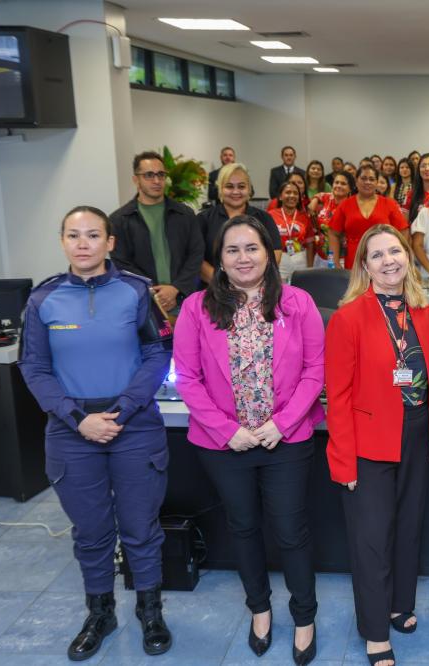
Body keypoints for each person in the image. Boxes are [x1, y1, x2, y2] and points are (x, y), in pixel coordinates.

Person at [19, 206, 174, 661]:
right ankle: (100, 612)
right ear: (63, 242)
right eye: (73, 235)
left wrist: (122, 410)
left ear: (111, 243)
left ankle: (151, 611)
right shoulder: (41, 300)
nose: (82, 243)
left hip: (135, 424)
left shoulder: (137, 291)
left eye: (93, 235)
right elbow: (33, 366)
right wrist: (77, 418)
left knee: (141, 527)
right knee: (90, 531)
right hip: (71, 431)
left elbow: (157, 355)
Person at [173, 215, 323, 663]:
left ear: (269, 254)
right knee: (243, 527)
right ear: (219, 260)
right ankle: (259, 608)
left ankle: (304, 615)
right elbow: (188, 378)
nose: (243, 257)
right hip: (225, 446)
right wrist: (228, 431)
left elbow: (317, 370)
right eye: (232, 250)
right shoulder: (195, 309)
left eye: (252, 248)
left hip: (288, 441)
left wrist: (283, 423)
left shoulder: (299, 303)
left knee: (291, 532)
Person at [325, 225, 429, 666]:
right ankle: (376, 631)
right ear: (364, 266)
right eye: (376, 255)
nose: (388, 260)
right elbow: (335, 396)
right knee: (372, 538)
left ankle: (399, 604)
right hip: (368, 442)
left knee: (409, 526)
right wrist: (344, 462)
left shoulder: (425, 313)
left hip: (416, 434)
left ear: (407, 257)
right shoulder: (347, 317)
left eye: (395, 250)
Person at [110, 151, 204, 315]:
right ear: (135, 179)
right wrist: (153, 290)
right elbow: (122, 263)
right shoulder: (119, 219)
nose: (156, 180)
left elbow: (196, 253)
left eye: (161, 175)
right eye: (149, 175)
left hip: (183, 300)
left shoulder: (184, 214)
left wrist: (176, 288)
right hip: (145, 302)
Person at [198, 163, 281, 286]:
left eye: (241, 186)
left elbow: (275, 253)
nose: (236, 191)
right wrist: (223, 285)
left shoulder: (264, 218)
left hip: (258, 291)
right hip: (214, 292)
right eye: (229, 186)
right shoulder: (203, 219)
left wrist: (251, 282)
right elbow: (196, 259)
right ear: (220, 188)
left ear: (249, 189)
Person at [329, 165, 409, 269]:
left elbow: (403, 231)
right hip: (354, 263)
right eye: (363, 178)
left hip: (384, 262)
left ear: (376, 183)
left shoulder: (389, 204)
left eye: (371, 179)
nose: (367, 182)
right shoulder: (345, 205)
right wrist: (335, 263)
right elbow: (333, 233)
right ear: (356, 181)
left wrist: (400, 258)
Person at [309, 170, 356, 267]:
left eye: (343, 184)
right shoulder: (326, 198)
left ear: (350, 188)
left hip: (341, 258)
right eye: (336, 182)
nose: (338, 186)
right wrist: (314, 200)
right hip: (321, 256)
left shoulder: (353, 205)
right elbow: (318, 196)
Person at [272, 180, 315, 280]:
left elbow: (310, 244)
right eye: (288, 192)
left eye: (295, 193)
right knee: (281, 292)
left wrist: (309, 268)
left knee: (300, 289)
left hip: (300, 258)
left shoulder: (304, 217)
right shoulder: (271, 215)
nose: (292, 195)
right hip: (280, 259)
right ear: (280, 197)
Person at [406, 153, 429, 223]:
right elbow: (405, 220)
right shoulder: (411, 194)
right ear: (419, 170)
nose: (427, 169)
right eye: (423, 166)